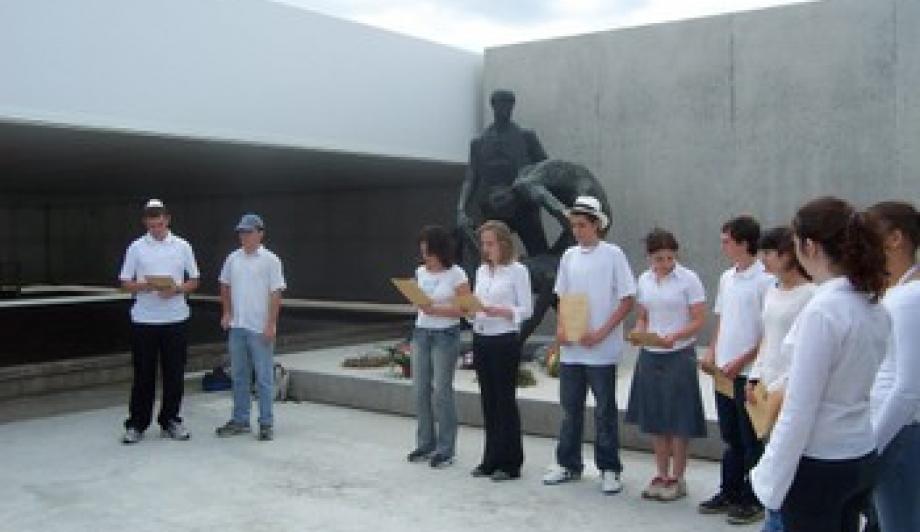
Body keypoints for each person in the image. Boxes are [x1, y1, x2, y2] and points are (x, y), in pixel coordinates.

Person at [751, 196, 890, 532]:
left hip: (819, 461)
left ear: (809, 247)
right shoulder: (871, 303)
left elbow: (800, 406)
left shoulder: (823, 310)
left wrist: (770, 475)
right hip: (860, 451)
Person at [542, 196, 636, 495]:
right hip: (572, 349)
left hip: (602, 349)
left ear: (597, 224)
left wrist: (602, 332)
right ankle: (568, 463)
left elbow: (627, 299)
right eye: (573, 225)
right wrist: (561, 330)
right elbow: (561, 296)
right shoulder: (569, 256)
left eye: (582, 225)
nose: (577, 231)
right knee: (570, 409)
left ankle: (609, 469)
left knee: (604, 410)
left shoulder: (613, 255)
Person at [699, 215, 774, 525]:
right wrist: (713, 353)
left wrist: (741, 361)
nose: (723, 246)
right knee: (730, 436)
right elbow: (723, 320)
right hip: (724, 372)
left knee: (751, 438)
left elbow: (769, 332)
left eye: (727, 240)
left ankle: (753, 497)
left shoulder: (766, 280)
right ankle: (728, 490)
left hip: (749, 373)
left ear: (745, 243)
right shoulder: (727, 277)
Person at [626, 228, 707, 502]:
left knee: (678, 418)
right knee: (656, 417)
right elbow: (643, 316)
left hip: (678, 353)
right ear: (649, 257)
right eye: (659, 259)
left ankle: (678, 476)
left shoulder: (689, 279)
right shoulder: (644, 280)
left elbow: (698, 319)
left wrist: (677, 335)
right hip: (651, 352)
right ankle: (660, 473)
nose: (665, 264)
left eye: (669, 258)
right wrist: (639, 332)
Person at [745, 226, 816, 532]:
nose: (763, 260)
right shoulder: (772, 289)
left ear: (788, 254)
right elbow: (767, 337)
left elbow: (806, 351)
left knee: (787, 464)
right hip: (766, 387)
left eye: (769, 253)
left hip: (789, 389)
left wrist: (781, 386)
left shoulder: (812, 294)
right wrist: (755, 376)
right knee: (769, 457)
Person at [118, 198, 200, 444]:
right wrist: (144, 285)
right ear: (146, 223)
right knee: (143, 375)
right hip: (144, 320)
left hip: (175, 319)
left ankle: (171, 420)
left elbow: (194, 280)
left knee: (174, 373)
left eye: (160, 225)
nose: (156, 230)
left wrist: (176, 290)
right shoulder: (136, 248)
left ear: (168, 220)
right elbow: (124, 283)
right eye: (152, 226)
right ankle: (137, 424)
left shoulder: (183, 246)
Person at [868, 201, 920, 532]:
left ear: (895, 239)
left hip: (899, 435)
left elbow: (908, 389)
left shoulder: (908, 298)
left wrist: (870, 445)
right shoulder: (898, 294)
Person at [469, 220, 533, 482]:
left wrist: (503, 311)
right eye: (483, 244)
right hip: (481, 336)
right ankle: (490, 458)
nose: (486, 249)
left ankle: (511, 462)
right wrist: (470, 312)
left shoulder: (517, 271)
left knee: (505, 401)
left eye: (490, 243)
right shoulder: (482, 271)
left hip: (504, 339)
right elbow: (474, 304)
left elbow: (526, 309)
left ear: (504, 244)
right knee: (488, 400)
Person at [214, 213, 286, 442]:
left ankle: (266, 423)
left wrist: (271, 323)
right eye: (241, 232)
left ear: (260, 233)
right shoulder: (233, 258)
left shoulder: (271, 260)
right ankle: (240, 420)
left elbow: (276, 293)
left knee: (264, 377)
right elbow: (224, 285)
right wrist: (227, 312)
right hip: (238, 326)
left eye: (248, 232)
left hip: (259, 327)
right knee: (239, 375)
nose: (243, 236)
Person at [456, 89, 548, 259]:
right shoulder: (479, 142)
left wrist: (520, 190)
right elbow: (471, 177)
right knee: (484, 254)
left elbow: (545, 169)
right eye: (502, 104)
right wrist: (461, 209)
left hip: (523, 206)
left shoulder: (526, 137)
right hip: (493, 207)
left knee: (539, 252)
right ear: (494, 106)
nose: (506, 109)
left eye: (510, 105)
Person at [406, 225, 469, 468]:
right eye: (423, 253)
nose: (426, 258)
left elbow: (466, 309)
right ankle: (425, 442)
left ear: (441, 252)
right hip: (422, 332)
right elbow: (419, 300)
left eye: (429, 253)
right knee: (420, 389)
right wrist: (415, 298)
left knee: (442, 391)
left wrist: (436, 309)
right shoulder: (420, 272)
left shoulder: (457, 274)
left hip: (445, 334)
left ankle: (446, 447)